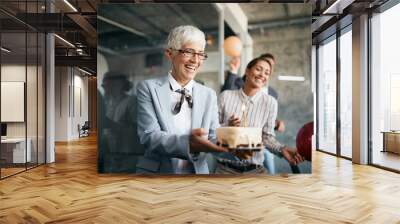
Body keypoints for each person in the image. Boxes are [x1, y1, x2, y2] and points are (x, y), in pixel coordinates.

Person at [136, 25, 228, 174]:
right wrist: (189, 144)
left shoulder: (208, 94)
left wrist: (231, 144)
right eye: (189, 52)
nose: (195, 60)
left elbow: (212, 136)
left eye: (200, 54)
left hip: (198, 174)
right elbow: (150, 136)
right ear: (170, 53)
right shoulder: (148, 88)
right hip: (158, 175)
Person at [216, 57, 303, 174]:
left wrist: (282, 149)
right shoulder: (225, 96)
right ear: (247, 71)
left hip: (254, 171)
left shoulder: (270, 103)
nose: (262, 74)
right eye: (258, 69)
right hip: (224, 170)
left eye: (267, 73)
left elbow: (267, 138)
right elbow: (211, 131)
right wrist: (228, 128)